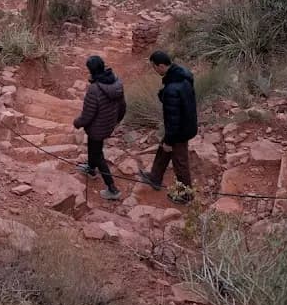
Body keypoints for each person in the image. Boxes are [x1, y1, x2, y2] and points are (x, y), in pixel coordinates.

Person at [138, 49, 197, 203]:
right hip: (186, 124)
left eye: (154, 67)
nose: (154, 70)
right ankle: (155, 177)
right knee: (163, 149)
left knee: (180, 162)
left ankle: (186, 195)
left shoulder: (172, 89)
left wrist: (170, 141)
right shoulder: (182, 75)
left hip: (180, 131)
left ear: (161, 66)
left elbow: (173, 119)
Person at [74, 55, 127, 201]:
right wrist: (116, 121)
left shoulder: (94, 89)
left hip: (96, 128)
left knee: (98, 155)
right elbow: (123, 106)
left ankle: (112, 188)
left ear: (91, 70)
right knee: (93, 146)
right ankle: (91, 169)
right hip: (108, 124)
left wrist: (77, 123)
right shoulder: (117, 82)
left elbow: (87, 115)